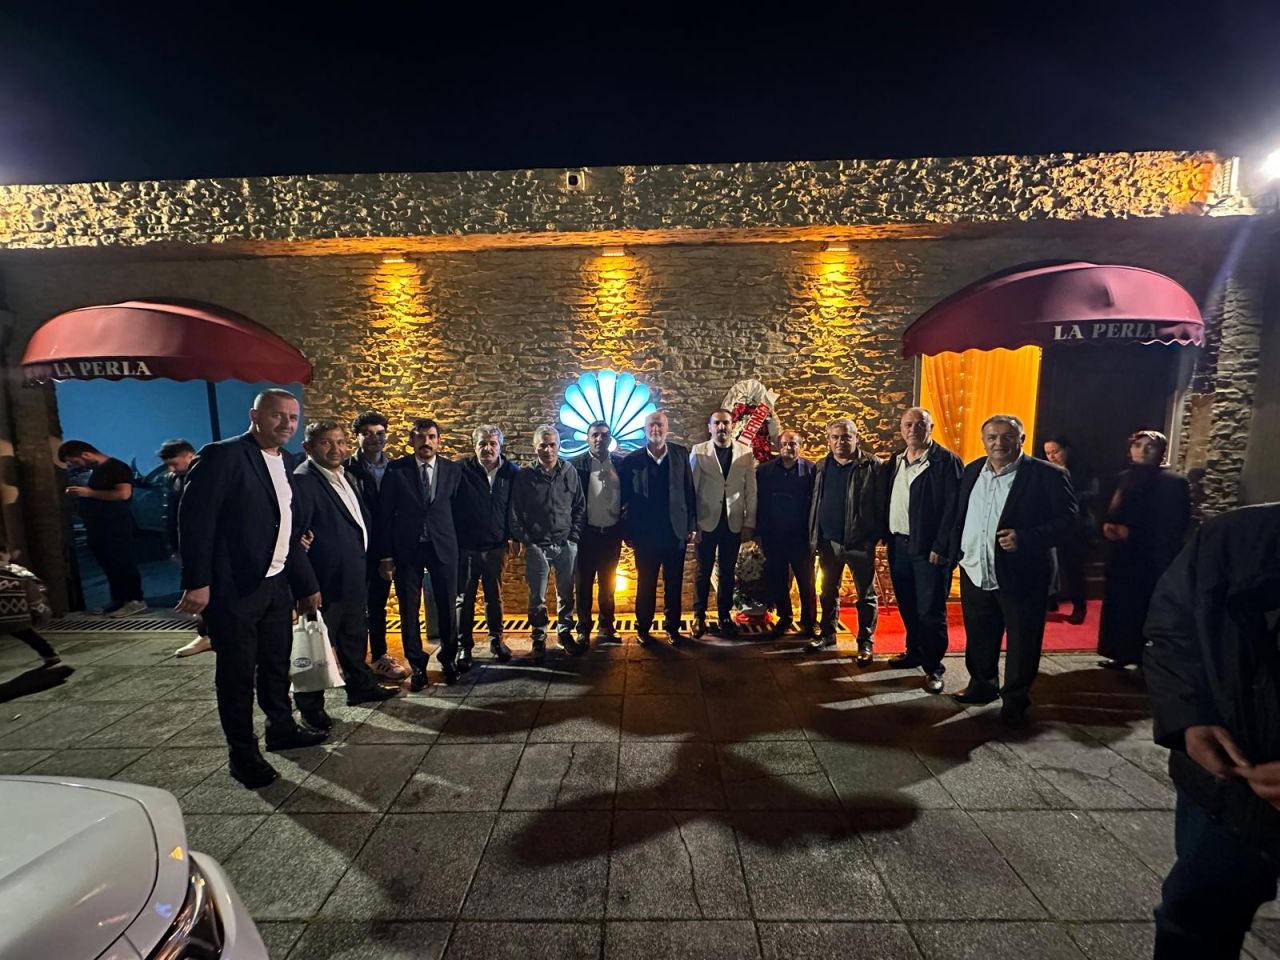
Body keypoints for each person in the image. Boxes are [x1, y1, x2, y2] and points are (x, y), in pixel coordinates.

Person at [1145, 503, 1280, 958]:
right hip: (1223, 787)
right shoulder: (1235, 536)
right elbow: (1173, 628)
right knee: (1195, 918)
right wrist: (1189, 717)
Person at [176, 389, 326, 790]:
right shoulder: (223, 456)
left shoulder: (287, 461)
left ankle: (281, 728)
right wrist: (197, 583)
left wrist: (304, 583)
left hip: (276, 585)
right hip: (235, 588)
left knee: (276, 665)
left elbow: (287, 527)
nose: (287, 424)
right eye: (278, 415)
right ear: (255, 416)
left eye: (293, 417)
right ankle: (242, 755)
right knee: (237, 676)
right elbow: (195, 521)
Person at [950, 414, 1077, 726]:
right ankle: (982, 685)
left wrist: (1026, 537)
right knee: (980, 633)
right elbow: (960, 515)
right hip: (976, 568)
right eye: (992, 437)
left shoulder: (1047, 475)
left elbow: (1071, 522)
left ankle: (1015, 700)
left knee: (1022, 640)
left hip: (1023, 575)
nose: (999, 443)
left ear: (1021, 440)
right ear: (983, 440)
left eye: (1007, 437)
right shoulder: (972, 471)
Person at [292, 420, 398, 729]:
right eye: (326, 443)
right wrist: (307, 585)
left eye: (340, 442)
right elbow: (296, 537)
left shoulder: (345, 475)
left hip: (352, 574)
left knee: (353, 634)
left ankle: (360, 686)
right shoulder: (304, 481)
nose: (336, 449)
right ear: (308, 447)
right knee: (315, 645)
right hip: (325, 580)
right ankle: (310, 707)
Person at [376, 417, 468, 691]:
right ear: (411, 440)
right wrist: (386, 555)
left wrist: (461, 550)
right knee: (408, 609)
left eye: (431, 437)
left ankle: (448, 660)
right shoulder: (396, 470)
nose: (426, 442)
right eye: (420, 437)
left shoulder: (452, 470)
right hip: (407, 549)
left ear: (439, 441)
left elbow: (459, 512)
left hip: (443, 547)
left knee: (447, 606)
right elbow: (384, 515)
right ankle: (417, 665)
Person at [883, 408, 963, 694]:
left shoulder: (946, 461)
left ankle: (933, 667)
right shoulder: (895, 460)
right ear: (901, 428)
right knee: (907, 604)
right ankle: (914, 651)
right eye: (908, 424)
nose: (913, 429)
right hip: (899, 545)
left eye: (920, 424)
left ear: (931, 428)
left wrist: (941, 546)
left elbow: (954, 509)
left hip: (929, 550)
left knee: (930, 611)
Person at [1097, 429, 1191, 670]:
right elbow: (1108, 509)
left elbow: (1172, 524)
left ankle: (1144, 659)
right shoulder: (1121, 478)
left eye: (1151, 446)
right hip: (1121, 555)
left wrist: (1132, 533)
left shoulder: (1173, 483)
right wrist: (1107, 526)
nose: (1143, 450)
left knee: (1144, 606)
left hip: (1149, 557)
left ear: (1161, 452)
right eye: (1138, 445)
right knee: (1120, 604)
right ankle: (1120, 651)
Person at [806, 418, 887, 662]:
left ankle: (865, 642)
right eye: (836, 437)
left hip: (860, 543)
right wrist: (816, 536)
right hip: (828, 541)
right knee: (828, 590)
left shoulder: (872, 465)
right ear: (829, 440)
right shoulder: (822, 466)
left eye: (846, 437)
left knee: (866, 595)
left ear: (856, 438)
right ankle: (828, 633)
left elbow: (882, 503)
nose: (840, 441)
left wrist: (874, 536)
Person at [619, 410, 698, 646]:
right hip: (645, 534)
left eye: (660, 425)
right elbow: (624, 500)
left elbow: (689, 491)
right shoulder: (631, 460)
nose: (656, 429)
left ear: (667, 428)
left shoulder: (680, 454)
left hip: (675, 532)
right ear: (645, 429)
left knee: (674, 584)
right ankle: (643, 628)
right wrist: (627, 532)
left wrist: (692, 525)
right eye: (651, 425)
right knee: (646, 584)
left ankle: (673, 629)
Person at [344, 411, 410, 682]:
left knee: (378, 605)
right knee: (353, 608)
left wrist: (389, 553)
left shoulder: (395, 469)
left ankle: (379, 656)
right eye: (368, 434)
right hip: (356, 549)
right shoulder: (346, 470)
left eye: (380, 433)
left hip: (387, 548)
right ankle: (353, 663)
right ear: (357, 437)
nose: (375, 439)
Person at [510, 425, 585, 660]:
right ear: (535, 447)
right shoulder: (525, 476)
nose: (548, 449)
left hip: (565, 544)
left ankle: (565, 634)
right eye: (543, 445)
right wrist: (528, 542)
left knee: (566, 594)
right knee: (537, 597)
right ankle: (539, 638)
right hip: (537, 546)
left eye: (552, 445)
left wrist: (573, 538)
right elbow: (515, 512)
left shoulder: (569, 471)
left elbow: (579, 506)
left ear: (559, 446)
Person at [57, 440, 146, 618]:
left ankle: (135, 600)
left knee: (122, 561)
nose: (77, 466)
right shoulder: (97, 471)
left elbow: (123, 494)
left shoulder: (116, 467)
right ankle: (119, 598)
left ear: (86, 454)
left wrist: (88, 493)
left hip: (115, 525)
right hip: (99, 526)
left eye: (75, 462)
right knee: (109, 563)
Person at [689, 409, 758, 638]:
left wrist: (749, 522)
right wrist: (693, 524)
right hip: (705, 522)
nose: (721, 427)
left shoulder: (745, 453)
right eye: (717, 423)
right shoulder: (699, 451)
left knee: (728, 572)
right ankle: (699, 615)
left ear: (732, 426)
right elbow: (691, 489)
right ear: (709, 427)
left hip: (733, 521)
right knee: (703, 571)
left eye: (726, 423)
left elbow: (751, 491)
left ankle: (724, 616)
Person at [458, 424, 519, 665]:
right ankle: (464, 646)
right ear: (474, 446)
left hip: (496, 546)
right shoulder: (461, 470)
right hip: (467, 547)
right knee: (465, 598)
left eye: (493, 443)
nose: (488, 448)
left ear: (500, 446)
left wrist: (514, 536)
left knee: (494, 596)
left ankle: (497, 640)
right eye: (482, 443)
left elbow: (515, 508)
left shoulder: (511, 472)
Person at [756, 430, 816, 639]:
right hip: (774, 536)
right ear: (778, 446)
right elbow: (759, 503)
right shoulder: (764, 471)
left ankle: (809, 621)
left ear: (800, 446)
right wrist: (759, 533)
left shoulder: (812, 470)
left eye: (792, 444)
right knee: (778, 579)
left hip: (801, 537)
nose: (788, 448)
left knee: (806, 581)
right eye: (784, 444)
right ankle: (784, 617)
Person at [570, 420, 624, 647]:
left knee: (608, 586)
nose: (599, 439)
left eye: (604, 435)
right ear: (588, 438)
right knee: (583, 586)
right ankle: (583, 629)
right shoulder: (576, 466)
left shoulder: (620, 464)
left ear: (610, 439)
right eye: (595, 435)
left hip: (611, 534)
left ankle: (607, 626)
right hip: (586, 535)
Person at [158, 439, 211, 657]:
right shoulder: (174, 479)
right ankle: (206, 635)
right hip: (186, 544)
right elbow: (172, 516)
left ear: (189, 455)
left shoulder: (209, 475)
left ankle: (211, 634)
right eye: (168, 465)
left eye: (174, 463)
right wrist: (174, 547)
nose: (171, 468)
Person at [1042, 435, 1098, 625]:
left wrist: (1067, 499)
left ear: (1067, 450)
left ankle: (1079, 607)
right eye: (1048, 453)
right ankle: (1050, 600)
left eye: (1055, 452)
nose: (1051, 456)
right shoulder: (1045, 470)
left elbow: (1092, 493)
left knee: (1073, 568)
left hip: (1076, 526)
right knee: (1050, 565)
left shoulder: (1082, 471)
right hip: (1051, 524)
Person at [0, 542, 60, 667]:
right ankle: (50, 654)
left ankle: (49, 654)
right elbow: (35, 596)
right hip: (18, 616)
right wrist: (40, 612)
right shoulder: (19, 572)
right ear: (7, 554)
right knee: (28, 635)